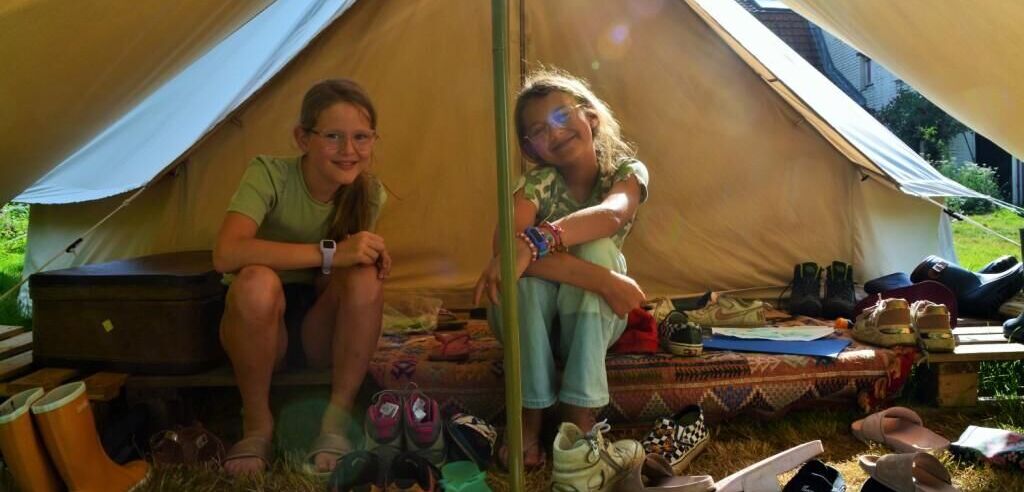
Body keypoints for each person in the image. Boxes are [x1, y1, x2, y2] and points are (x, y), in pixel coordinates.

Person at [212, 78, 389, 476]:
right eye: (333, 136)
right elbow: (226, 253)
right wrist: (330, 253)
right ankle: (257, 424)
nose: (349, 151)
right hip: (256, 326)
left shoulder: (368, 193)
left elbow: (335, 282)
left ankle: (334, 421)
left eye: (362, 137)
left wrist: (359, 259)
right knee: (258, 280)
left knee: (364, 276)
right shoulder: (269, 175)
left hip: (314, 327)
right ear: (302, 138)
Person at [473, 69, 649, 468]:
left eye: (562, 116)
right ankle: (528, 419)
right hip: (531, 320)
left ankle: (579, 420)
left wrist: (536, 244)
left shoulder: (624, 173)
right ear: (530, 147)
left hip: (591, 321)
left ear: (590, 117)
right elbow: (505, 256)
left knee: (599, 247)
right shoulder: (536, 184)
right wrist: (604, 281)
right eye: (539, 130)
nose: (554, 132)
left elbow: (609, 216)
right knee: (528, 286)